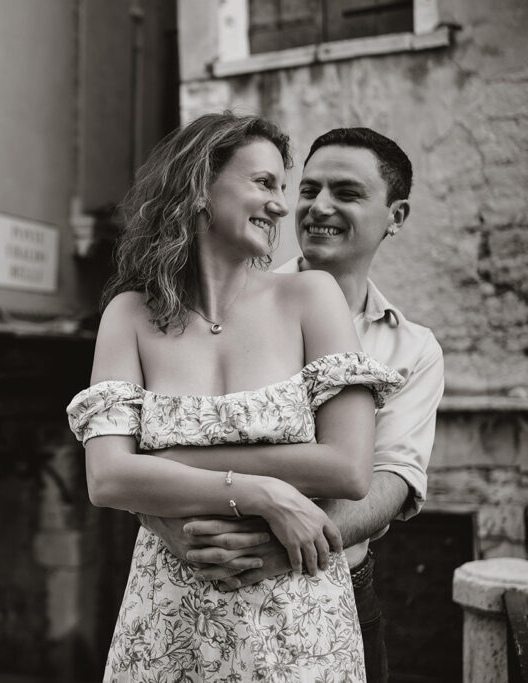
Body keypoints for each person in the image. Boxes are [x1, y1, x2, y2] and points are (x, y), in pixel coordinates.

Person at [66, 113, 403, 681]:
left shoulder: (309, 296)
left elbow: (347, 468)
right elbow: (106, 481)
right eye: (264, 183)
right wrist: (262, 493)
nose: (280, 206)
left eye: (281, 188)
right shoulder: (128, 314)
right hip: (168, 621)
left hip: (296, 620)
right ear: (200, 184)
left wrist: (162, 467)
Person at [138, 127, 445, 683]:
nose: (317, 206)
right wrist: (164, 522)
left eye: (347, 194)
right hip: (197, 574)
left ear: (395, 216)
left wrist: (278, 549)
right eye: (309, 189)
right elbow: (136, 444)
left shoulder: (414, 348)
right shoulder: (225, 305)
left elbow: (389, 478)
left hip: (334, 584)